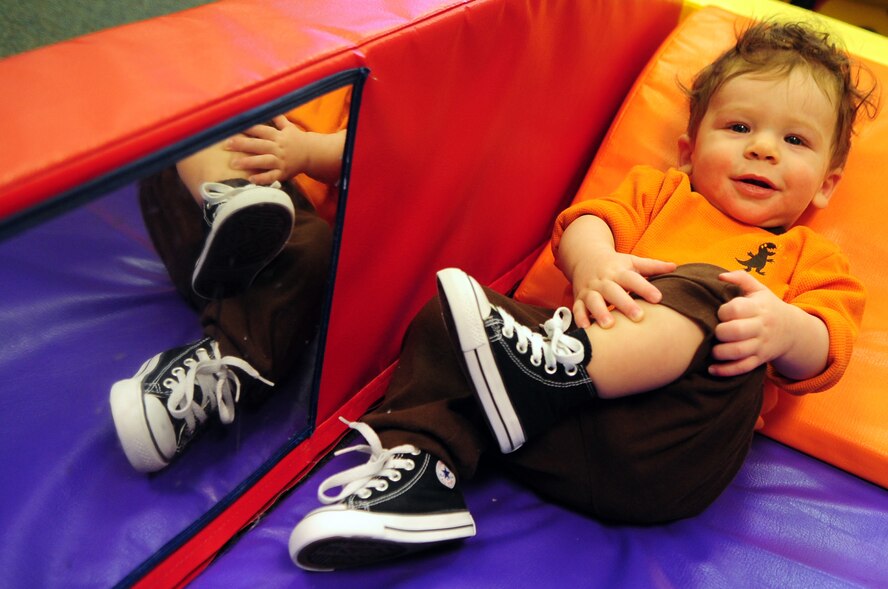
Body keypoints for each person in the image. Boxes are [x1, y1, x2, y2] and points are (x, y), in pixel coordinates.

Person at [287, 20, 878, 572]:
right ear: (688, 151)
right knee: (452, 310)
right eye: (739, 127)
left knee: (717, 292)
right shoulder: (659, 193)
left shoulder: (811, 258)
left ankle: (552, 370)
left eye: (795, 140)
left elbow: (829, 348)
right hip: (545, 433)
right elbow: (587, 223)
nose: (763, 149)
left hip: (662, 452)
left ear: (826, 184)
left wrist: (784, 329)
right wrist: (595, 264)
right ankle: (420, 473)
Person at [109, 88, 350, 473]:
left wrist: (306, 152)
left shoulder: (391, 53)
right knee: (199, 110)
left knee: (312, 250)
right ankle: (229, 200)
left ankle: (217, 367)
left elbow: (386, 141)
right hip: (198, 184)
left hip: (287, 228)